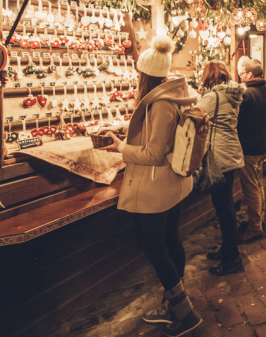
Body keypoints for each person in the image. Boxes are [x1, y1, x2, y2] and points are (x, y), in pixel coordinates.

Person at [108, 35, 202, 334]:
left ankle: (184, 313)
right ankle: (173, 301)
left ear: (145, 76)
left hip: (155, 186)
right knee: (169, 239)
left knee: (153, 244)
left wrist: (120, 148)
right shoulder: (169, 95)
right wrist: (123, 127)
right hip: (170, 184)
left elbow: (153, 152)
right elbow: (153, 129)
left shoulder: (161, 103)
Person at [197, 61, 246, 276]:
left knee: (224, 209)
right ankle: (228, 249)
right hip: (230, 153)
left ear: (209, 77)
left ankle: (232, 259)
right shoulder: (232, 96)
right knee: (225, 207)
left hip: (218, 156)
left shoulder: (212, 97)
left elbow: (192, 117)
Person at [235, 58, 266, 243]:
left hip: (249, 148)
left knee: (251, 189)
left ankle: (255, 227)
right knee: (258, 185)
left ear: (249, 74)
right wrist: (260, 124)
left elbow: (235, 120)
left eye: (241, 74)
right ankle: (259, 221)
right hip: (262, 145)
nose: (239, 78)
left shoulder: (246, 94)